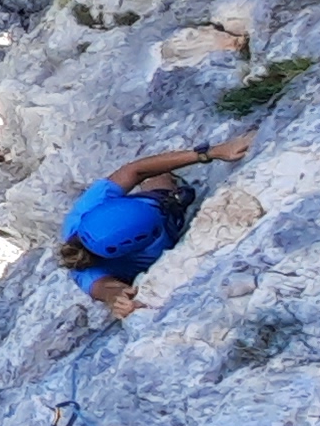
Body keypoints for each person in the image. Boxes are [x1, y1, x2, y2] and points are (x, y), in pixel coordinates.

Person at [54, 132, 254, 316]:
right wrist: (118, 299)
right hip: (164, 229)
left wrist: (210, 153)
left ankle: (170, 196)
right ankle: (172, 203)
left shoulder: (85, 211)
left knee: (160, 182)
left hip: (156, 198)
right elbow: (106, 289)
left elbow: (135, 171)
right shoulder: (91, 274)